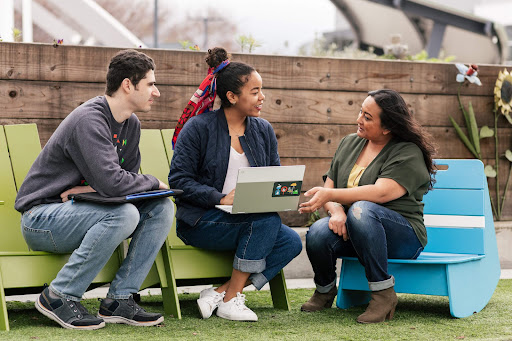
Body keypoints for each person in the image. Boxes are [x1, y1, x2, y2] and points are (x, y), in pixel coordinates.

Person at [14, 49, 173, 330]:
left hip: (81, 209)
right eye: (150, 84)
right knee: (124, 214)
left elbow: (123, 182)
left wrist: (86, 188)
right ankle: (58, 295)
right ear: (128, 84)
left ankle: (119, 300)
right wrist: (152, 181)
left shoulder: (130, 124)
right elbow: (115, 183)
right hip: (42, 218)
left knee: (160, 207)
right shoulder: (89, 119)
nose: (156, 92)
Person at [169, 47, 302, 322]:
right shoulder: (199, 128)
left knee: (291, 241)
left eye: (261, 90)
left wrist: (285, 192)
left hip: (248, 218)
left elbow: (273, 177)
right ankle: (230, 302)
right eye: (254, 92)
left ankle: (222, 293)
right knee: (266, 221)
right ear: (231, 96)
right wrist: (220, 198)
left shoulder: (262, 130)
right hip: (201, 221)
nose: (262, 97)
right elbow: (179, 181)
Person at [298, 89, 436, 323]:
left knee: (363, 209)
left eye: (367, 117)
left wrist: (333, 197)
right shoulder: (350, 143)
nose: (358, 120)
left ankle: (383, 295)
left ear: (387, 127)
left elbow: (380, 193)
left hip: (402, 236)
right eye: (361, 112)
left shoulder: (407, 152)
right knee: (318, 233)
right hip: (357, 230)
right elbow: (328, 188)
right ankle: (325, 290)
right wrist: (337, 211)